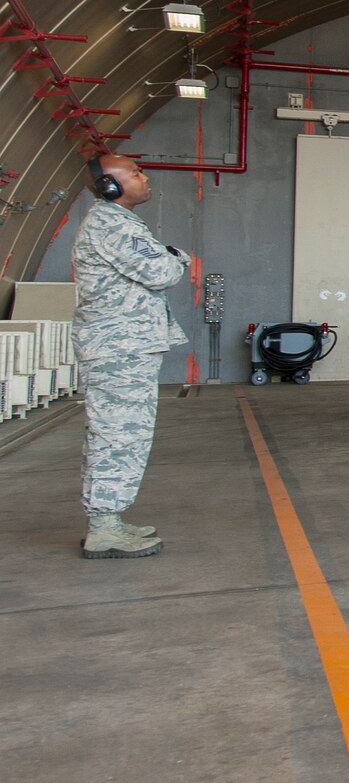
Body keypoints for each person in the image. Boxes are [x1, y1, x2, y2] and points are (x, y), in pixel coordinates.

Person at [71, 154, 185, 559]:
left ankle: (109, 519)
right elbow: (164, 273)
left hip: (121, 346)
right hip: (120, 348)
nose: (144, 177)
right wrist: (177, 258)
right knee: (119, 435)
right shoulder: (113, 225)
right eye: (135, 173)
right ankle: (104, 527)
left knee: (117, 433)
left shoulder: (116, 224)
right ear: (110, 186)